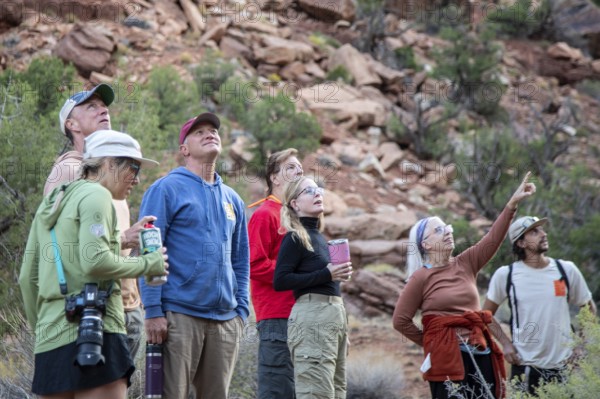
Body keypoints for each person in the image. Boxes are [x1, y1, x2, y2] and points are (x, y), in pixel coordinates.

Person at [19, 130, 168, 398]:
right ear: (109, 163)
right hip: (99, 334)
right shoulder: (98, 196)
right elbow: (95, 261)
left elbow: (26, 279)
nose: (136, 178)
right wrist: (148, 263)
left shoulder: (51, 202)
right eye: (133, 167)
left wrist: (41, 330)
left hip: (50, 340)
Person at [392, 172, 538, 399]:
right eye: (438, 230)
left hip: (481, 351)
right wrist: (433, 343)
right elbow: (400, 321)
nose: (448, 231)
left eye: (447, 227)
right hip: (447, 360)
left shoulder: (466, 262)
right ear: (426, 244)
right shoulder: (421, 277)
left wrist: (512, 204)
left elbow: (492, 239)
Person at [139, 112, 250, 399]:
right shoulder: (166, 189)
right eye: (199, 131)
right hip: (179, 315)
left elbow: (240, 260)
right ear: (184, 149)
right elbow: (149, 249)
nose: (209, 133)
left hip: (225, 320)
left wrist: (241, 311)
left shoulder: (233, 199)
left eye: (213, 130)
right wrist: (152, 310)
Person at [45, 84, 152, 363]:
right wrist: (124, 239)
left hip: (124, 304)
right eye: (90, 106)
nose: (103, 109)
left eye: (103, 105)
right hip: (92, 308)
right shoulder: (71, 168)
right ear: (71, 124)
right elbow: (59, 240)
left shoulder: (108, 171)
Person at [483, 215, 596, 395]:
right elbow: (485, 316)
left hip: (565, 368)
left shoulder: (566, 270)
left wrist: (580, 346)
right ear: (520, 243)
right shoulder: (507, 275)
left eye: (542, 230)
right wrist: (505, 343)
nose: (543, 234)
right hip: (526, 368)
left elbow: (588, 308)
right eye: (534, 232)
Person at [273, 176, 353, 399]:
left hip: (333, 317)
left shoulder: (320, 237)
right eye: (309, 190)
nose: (318, 193)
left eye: (318, 189)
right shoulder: (294, 238)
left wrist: (341, 327)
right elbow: (280, 281)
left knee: (337, 391)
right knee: (316, 393)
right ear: (295, 204)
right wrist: (326, 274)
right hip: (311, 318)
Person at [248, 148, 304, 399]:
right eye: (291, 167)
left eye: (300, 168)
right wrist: (297, 276)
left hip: (303, 315)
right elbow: (254, 264)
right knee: (277, 389)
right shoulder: (264, 214)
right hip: (276, 317)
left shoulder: (296, 216)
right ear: (275, 177)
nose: (299, 171)